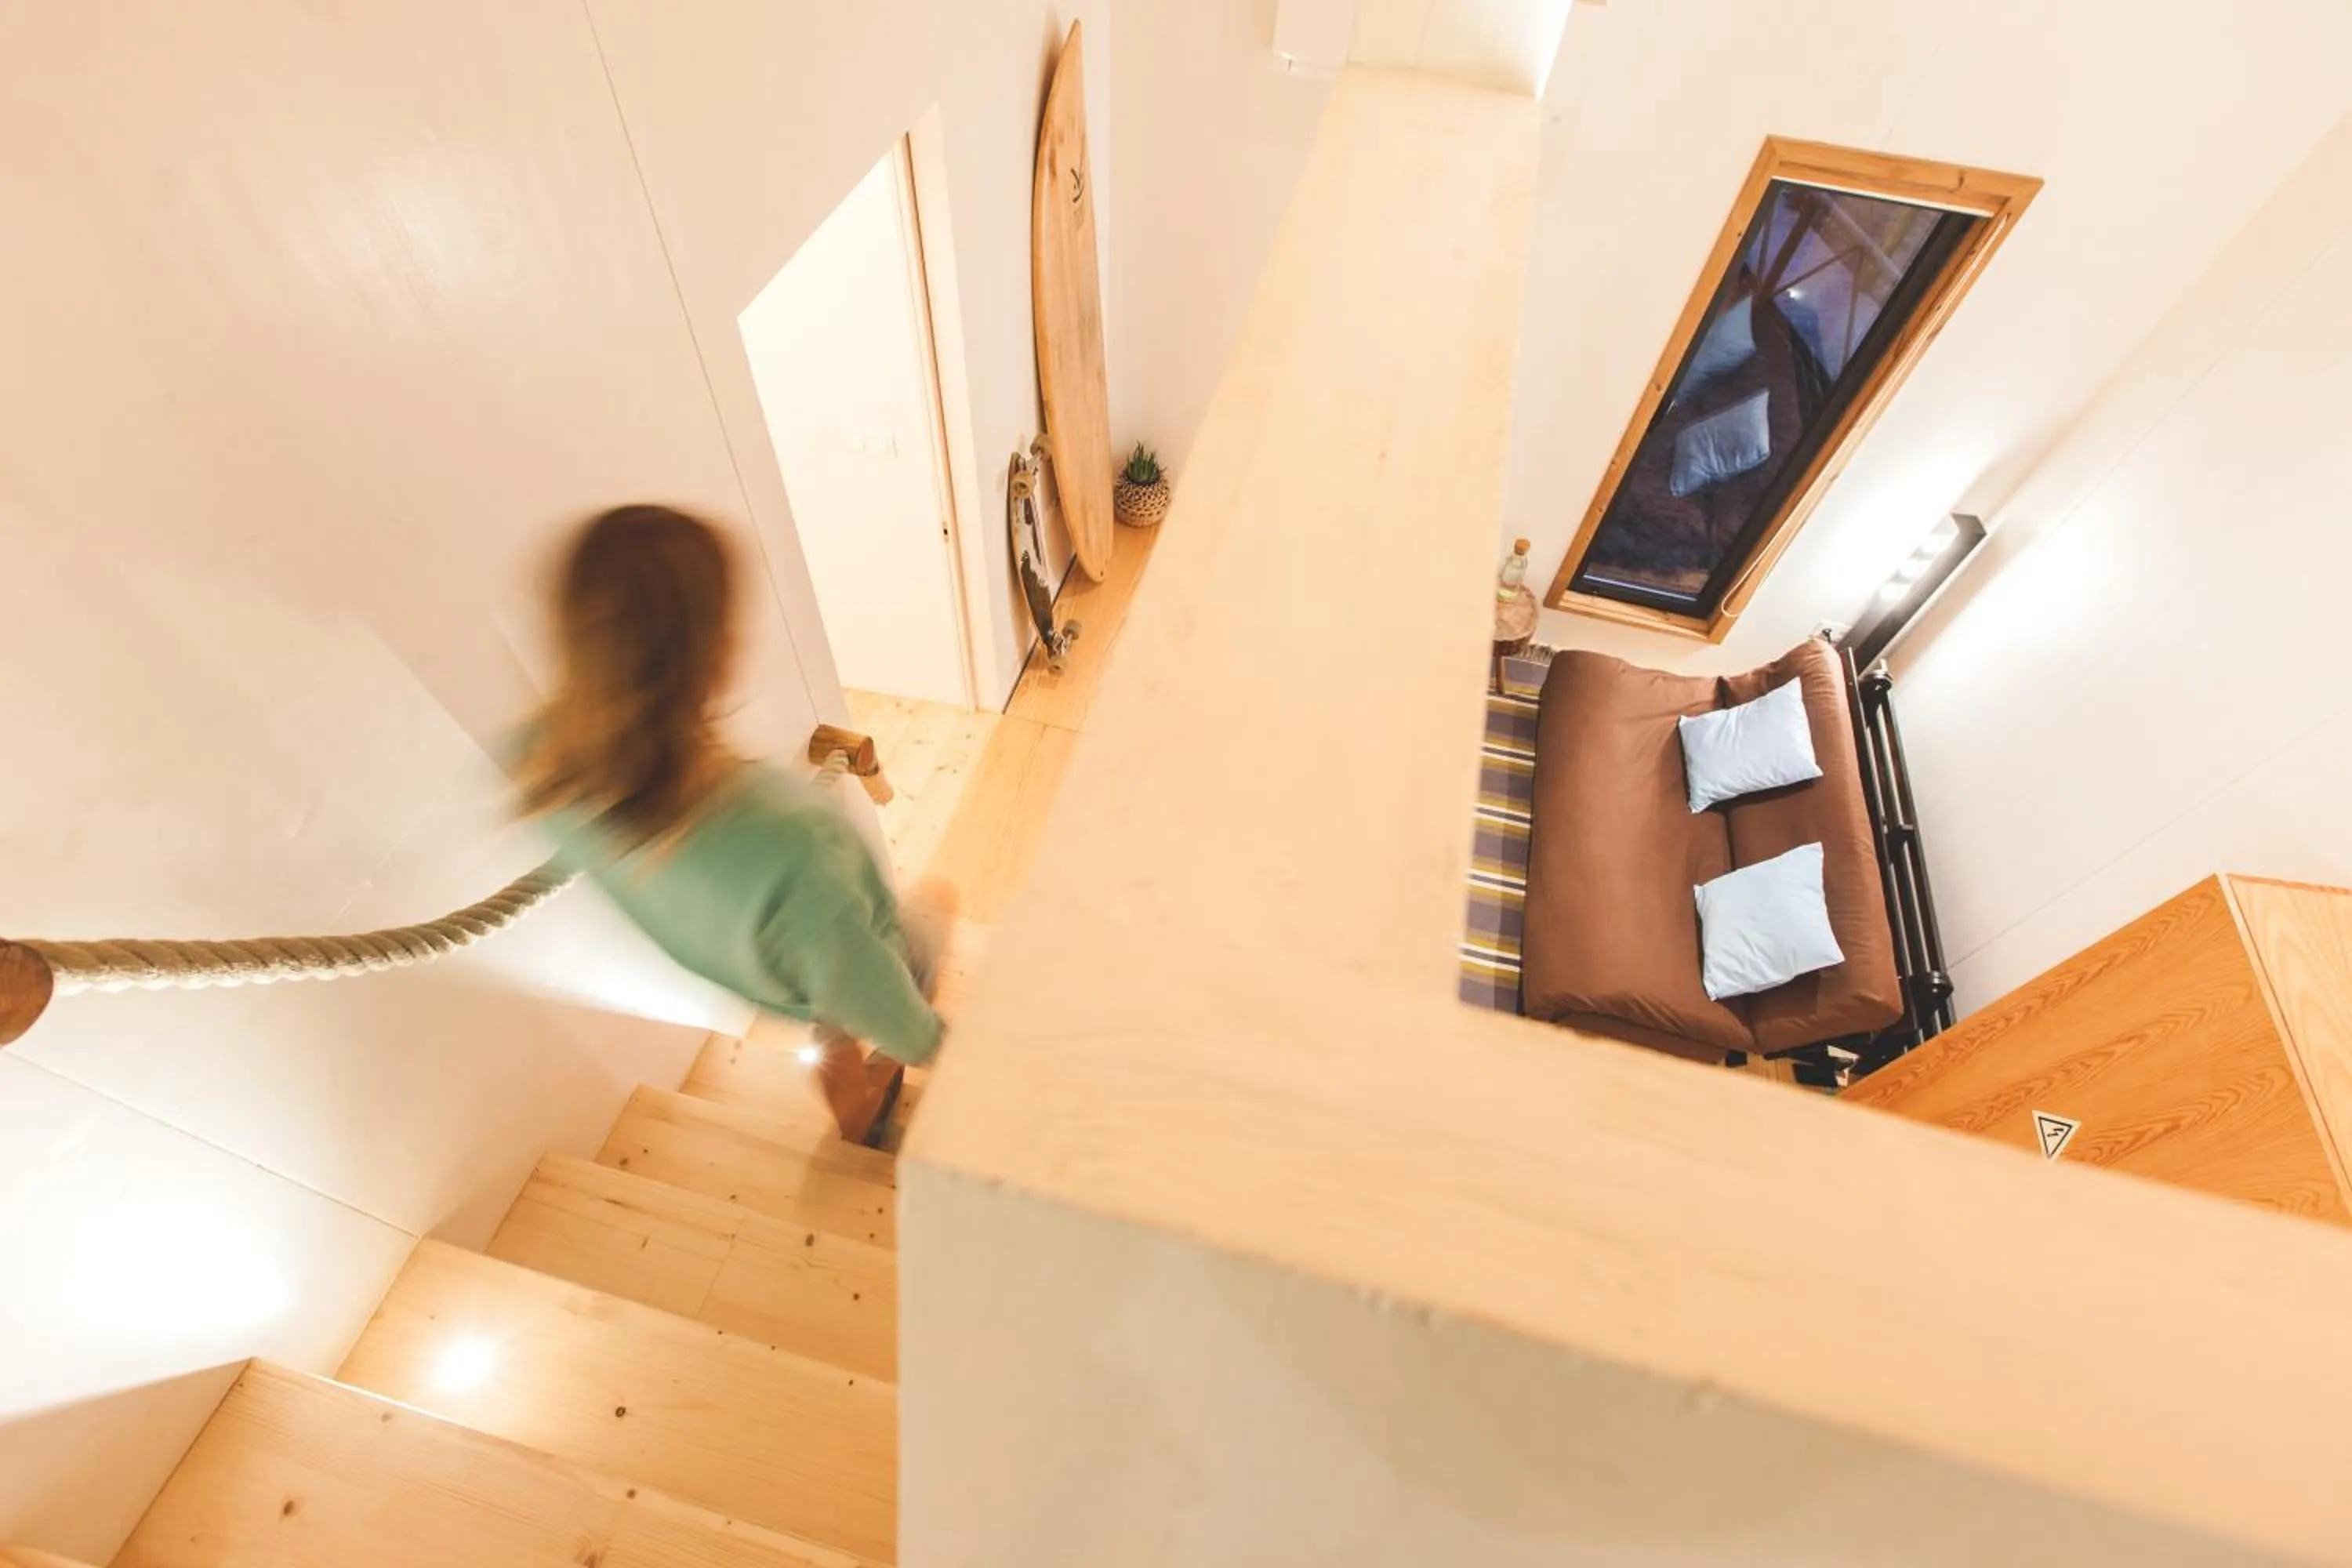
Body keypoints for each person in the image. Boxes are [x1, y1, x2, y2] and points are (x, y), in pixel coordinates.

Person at [512, 503, 947, 1145]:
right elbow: (890, 1008)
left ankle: (854, 1117)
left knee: (828, 1005)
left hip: (761, 973)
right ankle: (872, 1111)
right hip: (833, 958)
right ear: (715, 657)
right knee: (936, 906)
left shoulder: (542, 769)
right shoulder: (791, 840)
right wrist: (939, 1047)